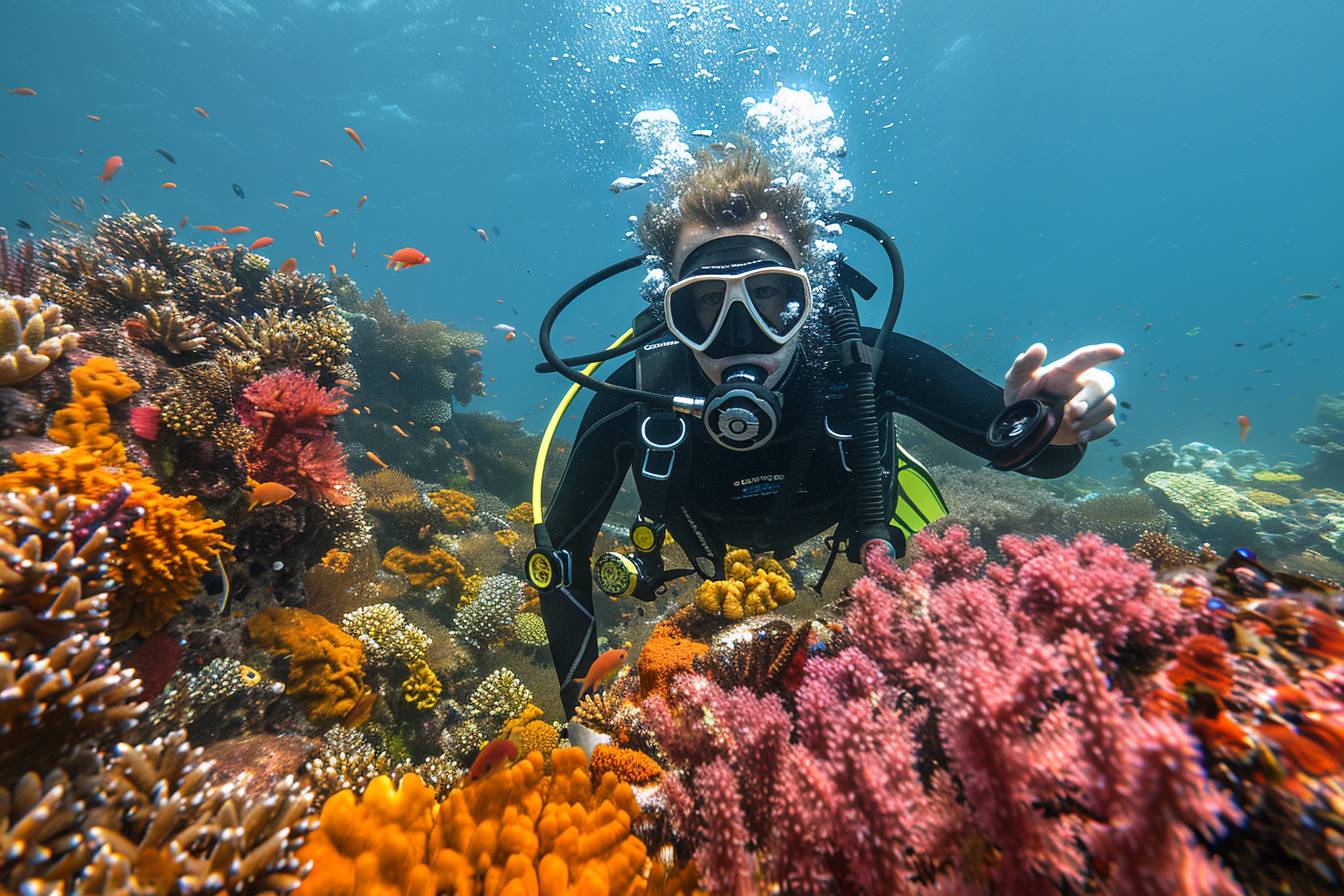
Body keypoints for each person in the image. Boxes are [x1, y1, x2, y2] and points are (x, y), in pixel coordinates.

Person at [537, 143, 1121, 737]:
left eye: (768, 295)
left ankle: (900, 483)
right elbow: (558, 556)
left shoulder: (860, 364)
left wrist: (1056, 422)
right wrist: (590, 730)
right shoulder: (637, 394)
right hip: (711, 552)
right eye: (707, 303)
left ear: (807, 295)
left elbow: (1030, 451)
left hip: (843, 520)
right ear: (670, 309)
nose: (740, 334)